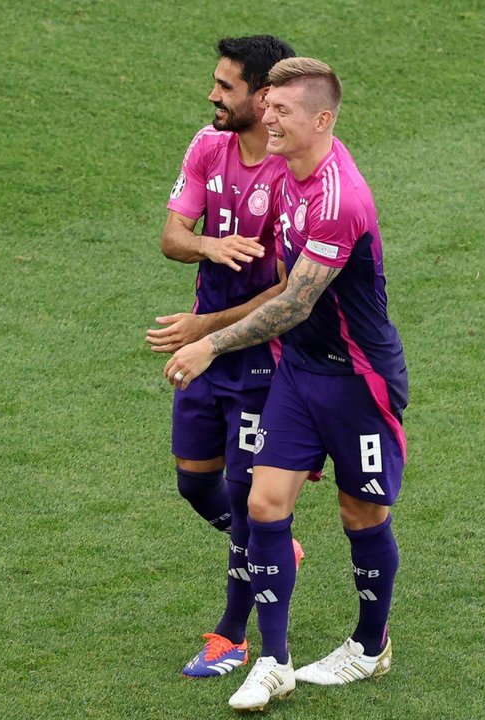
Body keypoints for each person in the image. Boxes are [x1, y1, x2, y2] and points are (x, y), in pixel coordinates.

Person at [164, 57, 408, 711]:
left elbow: (296, 302)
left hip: (358, 379)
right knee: (265, 504)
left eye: (282, 112)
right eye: (265, 105)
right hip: (299, 373)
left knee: (363, 512)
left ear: (321, 122)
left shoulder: (338, 198)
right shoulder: (291, 169)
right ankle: (272, 659)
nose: (267, 118)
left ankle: (369, 644)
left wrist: (208, 342)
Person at [146, 35, 300, 680]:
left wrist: (203, 329)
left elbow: (293, 289)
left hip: (263, 360)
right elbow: (172, 236)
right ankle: (274, 547)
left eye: (226, 86)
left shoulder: (298, 173)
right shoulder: (208, 146)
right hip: (206, 355)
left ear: (265, 97)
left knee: (243, 497)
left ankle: (232, 637)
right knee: (193, 481)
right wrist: (210, 247)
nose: (212, 94)